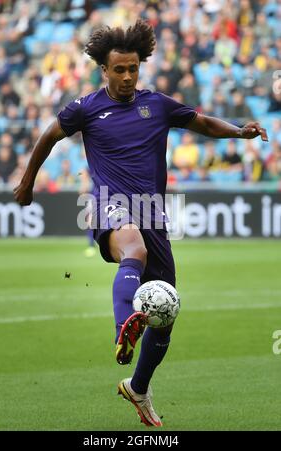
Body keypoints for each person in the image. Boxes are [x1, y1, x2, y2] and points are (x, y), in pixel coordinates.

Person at [14, 19, 268, 427]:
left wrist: (240, 132)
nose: (128, 76)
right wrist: (27, 183)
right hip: (107, 202)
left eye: (133, 68)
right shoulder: (86, 108)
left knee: (166, 313)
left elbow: (201, 122)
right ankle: (124, 328)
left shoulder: (158, 105)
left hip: (152, 211)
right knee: (134, 249)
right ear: (105, 69)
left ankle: (138, 386)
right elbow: (48, 135)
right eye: (120, 69)